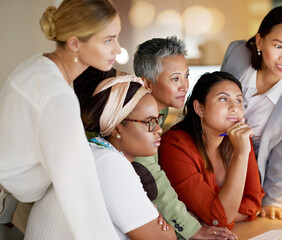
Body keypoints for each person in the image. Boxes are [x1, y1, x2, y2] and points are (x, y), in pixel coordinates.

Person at [74, 36, 237, 240]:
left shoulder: (160, 111)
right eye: (175, 78)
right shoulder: (131, 113)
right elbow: (151, 175)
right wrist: (191, 228)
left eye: (186, 76)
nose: (185, 86)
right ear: (147, 83)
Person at [0, 0, 122, 239]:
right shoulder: (56, 96)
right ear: (75, 43)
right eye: (108, 40)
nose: (118, 49)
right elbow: (79, 192)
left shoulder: (39, 66)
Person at [26, 74, 176, 240]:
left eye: (158, 120)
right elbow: (164, 238)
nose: (158, 129)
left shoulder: (94, 153)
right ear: (116, 129)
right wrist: (156, 220)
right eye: (149, 122)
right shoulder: (110, 163)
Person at [221, 6, 282, 219]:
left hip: (248, 175)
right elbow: (213, 99)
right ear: (260, 41)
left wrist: (272, 201)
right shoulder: (237, 54)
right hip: (207, 157)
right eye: (278, 46)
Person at [159, 71, 265, 230]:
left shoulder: (239, 136)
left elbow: (254, 202)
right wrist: (241, 154)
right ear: (199, 108)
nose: (234, 108)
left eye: (239, 100)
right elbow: (220, 219)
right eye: (223, 99)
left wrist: (212, 218)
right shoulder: (174, 147)